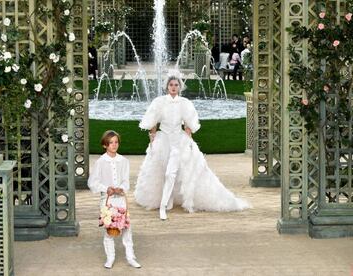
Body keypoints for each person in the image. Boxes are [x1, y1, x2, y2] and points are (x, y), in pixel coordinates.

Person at [134, 71, 250, 220]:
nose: (173, 87)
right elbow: (153, 123)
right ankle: (167, 200)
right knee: (161, 170)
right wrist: (152, 139)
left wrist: (188, 139)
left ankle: (163, 206)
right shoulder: (159, 102)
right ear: (167, 86)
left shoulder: (185, 103)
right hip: (163, 139)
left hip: (178, 140)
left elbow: (189, 124)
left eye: (176, 85)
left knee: (173, 172)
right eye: (171, 85)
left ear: (180, 87)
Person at [88, 130, 141, 269]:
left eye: (116, 142)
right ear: (105, 145)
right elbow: (92, 182)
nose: (114, 145)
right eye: (110, 142)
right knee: (110, 229)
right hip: (107, 201)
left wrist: (120, 188)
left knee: (126, 228)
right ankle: (110, 258)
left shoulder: (123, 161)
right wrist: (107, 189)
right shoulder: (100, 162)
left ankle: (130, 257)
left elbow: (126, 181)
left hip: (121, 200)